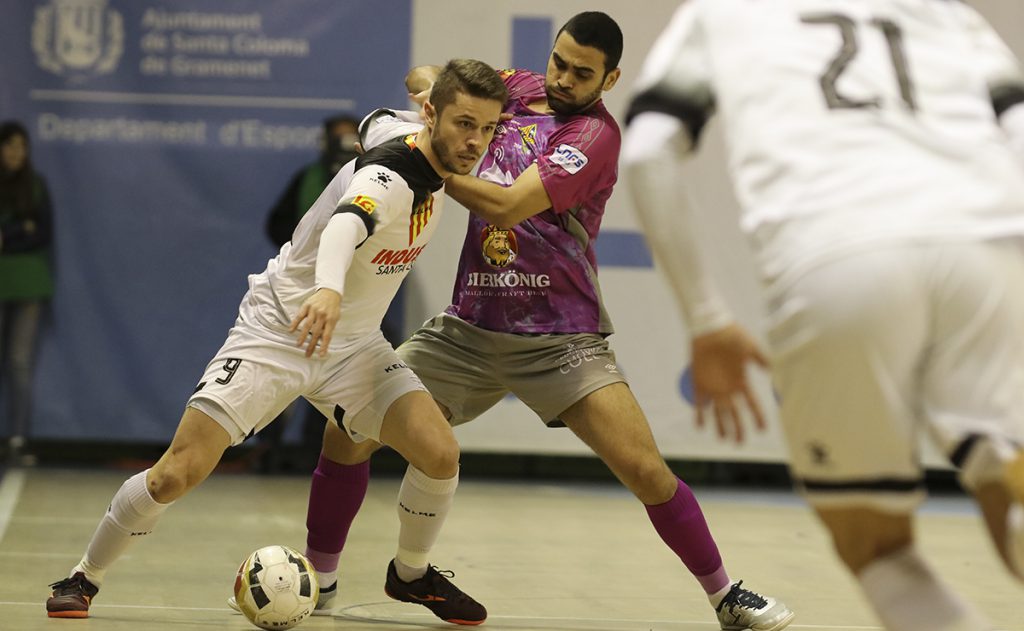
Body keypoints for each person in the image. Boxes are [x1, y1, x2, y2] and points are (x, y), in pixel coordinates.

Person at [296, 12, 794, 630]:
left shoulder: (593, 135)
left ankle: (726, 597)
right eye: (559, 61)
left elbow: (505, 207)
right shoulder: (520, 89)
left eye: (582, 73)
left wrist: (426, 158)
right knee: (347, 429)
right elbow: (426, 76)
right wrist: (438, 100)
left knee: (645, 470)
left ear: (609, 78)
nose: (563, 78)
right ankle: (320, 581)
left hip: (562, 341)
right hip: (467, 332)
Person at [44, 59, 508, 625]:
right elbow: (345, 225)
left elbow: (392, 103)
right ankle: (83, 577)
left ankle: (409, 574)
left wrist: (427, 80)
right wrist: (329, 289)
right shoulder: (388, 177)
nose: (475, 142)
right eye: (465, 124)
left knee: (440, 453)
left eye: (487, 128)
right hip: (281, 332)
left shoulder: (393, 125)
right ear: (433, 116)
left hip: (354, 348)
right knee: (176, 472)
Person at [621, 1, 1024, 630]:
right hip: (990, 243)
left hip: (837, 251)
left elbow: (647, 151)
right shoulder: (944, 11)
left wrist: (706, 319)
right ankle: (996, 460)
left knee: (877, 547)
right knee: (1001, 469)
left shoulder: (723, 13)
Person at [0, 120, 54, 464]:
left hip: (30, 284)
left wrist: (8, 237)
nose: (15, 152)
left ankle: (18, 438)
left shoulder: (36, 186)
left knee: (19, 362)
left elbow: (42, 232)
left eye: (21, 146)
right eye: (9, 145)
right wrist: (23, 227)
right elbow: (29, 228)